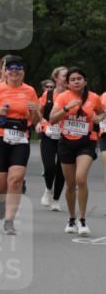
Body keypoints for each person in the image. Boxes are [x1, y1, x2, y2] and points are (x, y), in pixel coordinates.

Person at [0, 55, 39, 235]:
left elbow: (37, 119)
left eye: (18, 69)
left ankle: (9, 221)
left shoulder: (30, 91)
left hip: (21, 138)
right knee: (0, 184)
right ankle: (1, 201)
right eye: (11, 68)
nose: (15, 72)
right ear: (5, 72)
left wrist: (34, 112)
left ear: (23, 72)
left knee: (15, 179)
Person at [49, 68, 104, 236]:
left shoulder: (94, 97)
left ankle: (82, 219)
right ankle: (71, 218)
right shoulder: (63, 97)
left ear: (85, 81)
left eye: (79, 78)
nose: (76, 81)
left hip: (86, 142)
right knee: (71, 183)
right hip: (66, 142)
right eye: (72, 79)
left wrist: (99, 118)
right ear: (68, 83)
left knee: (81, 179)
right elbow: (52, 119)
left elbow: (102, 112)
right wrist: (67, 108)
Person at [37, 66, 68, 211]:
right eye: (64, 76)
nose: (67, 78)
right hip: (48, 134)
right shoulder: (47, 95)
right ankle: (48, 189)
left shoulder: (72, 95)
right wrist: (38, 123)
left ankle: (56, 199)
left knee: (61, 168)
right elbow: (38, 111)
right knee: (49, 166)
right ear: (56, 78)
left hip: (66, 136)